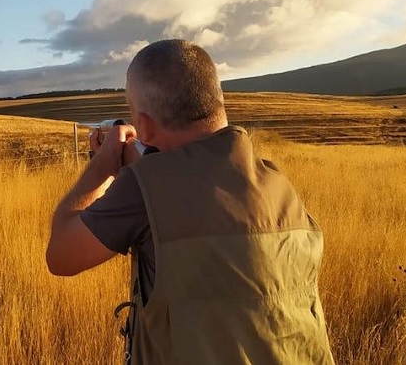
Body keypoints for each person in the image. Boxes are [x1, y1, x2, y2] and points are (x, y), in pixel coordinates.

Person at [46, 39, 335, 364]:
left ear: (144, 126)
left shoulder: (145, 188)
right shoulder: (277, 183)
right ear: (216, 103)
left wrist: (101, 168)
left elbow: (61, 256)